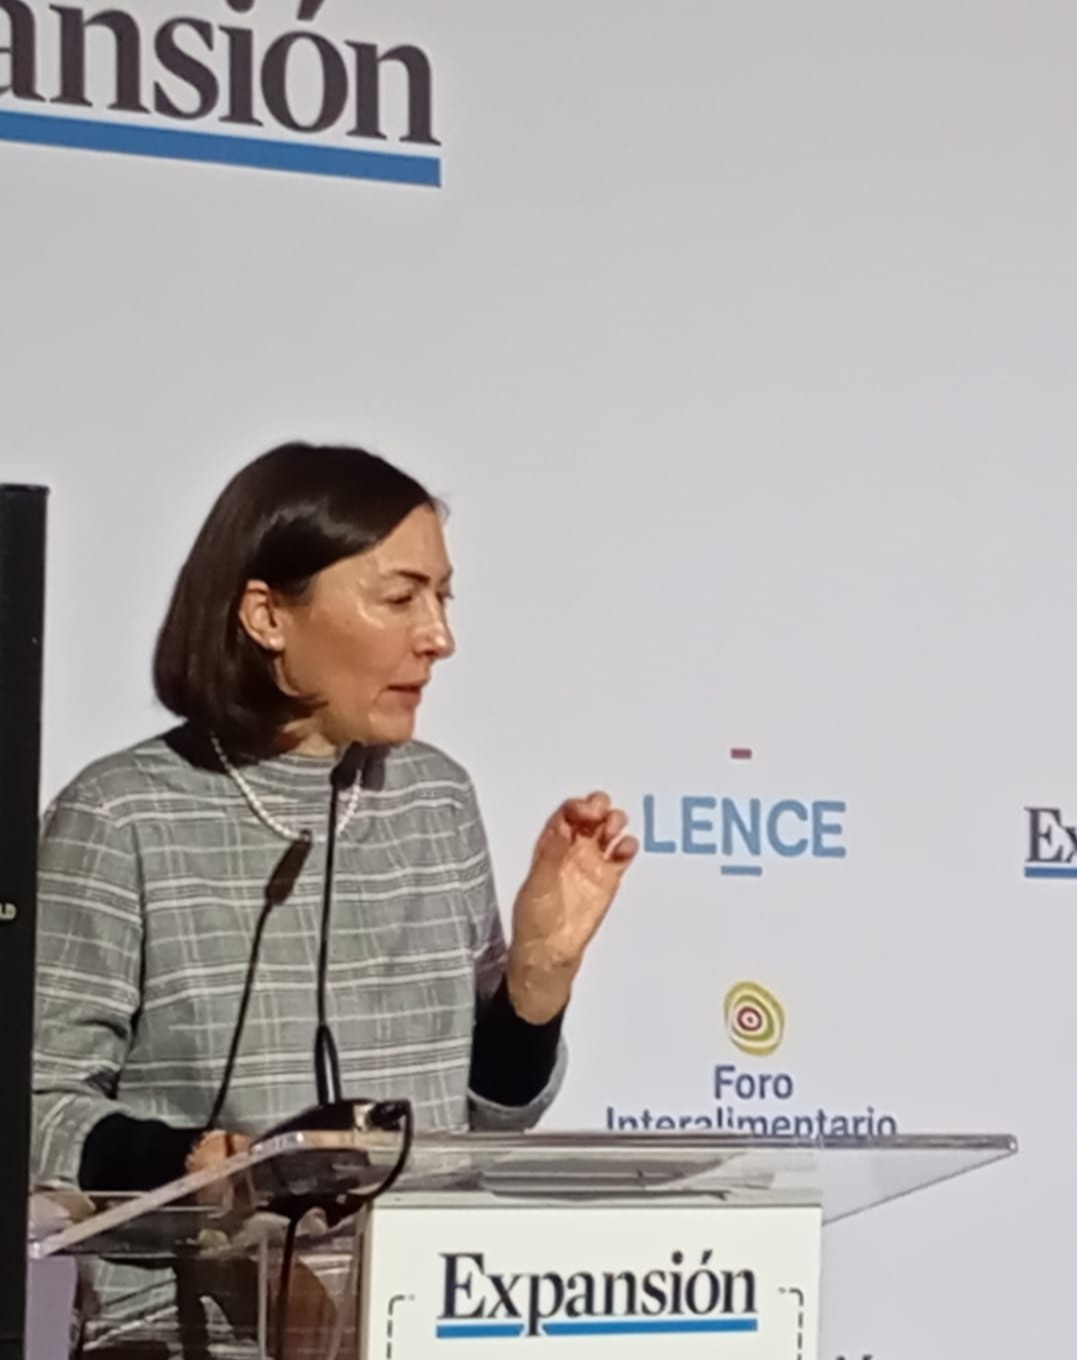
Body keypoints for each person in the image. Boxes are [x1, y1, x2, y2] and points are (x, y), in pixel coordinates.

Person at [30, 441, 640, 1357]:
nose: (438, 637)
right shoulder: (121, 815)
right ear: (267, 615)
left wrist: (536, 986)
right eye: (400, 598)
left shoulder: (436, 800)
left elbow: (486, 1123)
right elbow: (36, 1107)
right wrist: (191, 1164)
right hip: (186, 1335)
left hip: (424, 1326)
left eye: (443, 598)